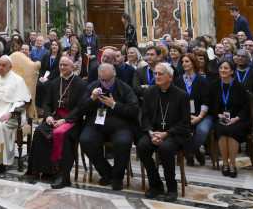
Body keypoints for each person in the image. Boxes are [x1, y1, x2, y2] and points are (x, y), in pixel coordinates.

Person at [77, 63, 140, 190]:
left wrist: (114, 105)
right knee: (85, 140)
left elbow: (134, 111)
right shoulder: (93, 87)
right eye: (102, 79)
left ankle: (117, 177)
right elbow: (82, 109)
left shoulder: (124, 88)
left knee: (123, 142)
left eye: (108, 80)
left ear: (114, 76)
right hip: (97, 124)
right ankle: (106, 172)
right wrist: (91, 98)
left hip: (120, 126)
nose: (105, 83)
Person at [137, 63, 191, 201]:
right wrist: (150, 132)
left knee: (165, 148)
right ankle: (156, 184)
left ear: (170, 76)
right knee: (142, 146)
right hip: (154, 132)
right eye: (155, 73)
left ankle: (172, 187)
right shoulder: (150, 91)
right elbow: (145, 116)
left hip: (174, 134)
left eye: (160, 73)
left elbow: (185, 122)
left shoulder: (182, 95)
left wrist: (166, 134)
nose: (157, 76)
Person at [32, 56, 87, 188]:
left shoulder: (81, 84)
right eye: (60, 65)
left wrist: (65, 120)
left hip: (73, 121)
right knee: (40, 131)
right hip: (55, 118)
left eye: (65, 65)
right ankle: (47, 170)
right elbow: (47, 104)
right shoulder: (55, 82)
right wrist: (48, 116)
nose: (62, 67)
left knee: (64, 135)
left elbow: (81, 107)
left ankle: (63, 175)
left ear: (72, 67)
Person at [212, 59, 251, 177]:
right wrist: (218, 114)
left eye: (226, 68)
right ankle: (225, 162)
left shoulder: (239, 87)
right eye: (221, 68)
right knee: (221, 130)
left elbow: (246, 108)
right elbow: (211, 104)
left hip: (237, 118)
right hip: (221, 117)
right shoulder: (215, 85)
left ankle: (232, 163)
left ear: (232, 71)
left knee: (233, 130)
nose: (223, 70)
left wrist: (237, 118)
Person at [179, 53, 212, 166]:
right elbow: (176, 101)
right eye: (183, 61)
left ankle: (189, 152)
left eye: (187, 61)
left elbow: (207, 100)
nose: (184, 63)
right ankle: (195, 152)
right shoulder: (179, 80)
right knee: (181, 129)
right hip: (184, 114)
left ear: (193, 63)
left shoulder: (201, 80)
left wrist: (199, 117)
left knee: (202, 130)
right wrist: (186, 115)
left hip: (202, 114)